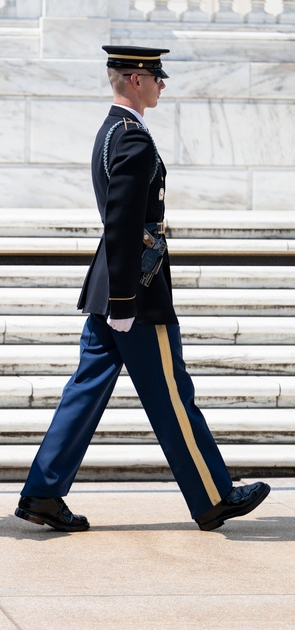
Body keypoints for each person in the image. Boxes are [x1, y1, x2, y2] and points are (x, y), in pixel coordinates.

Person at [15, 46, 270, 533]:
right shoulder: (132, 139)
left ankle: (44, 493)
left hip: (113, 286)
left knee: (84, 393)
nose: (161, 83)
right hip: (136, 291)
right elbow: (124, 222)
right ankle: (214, 497)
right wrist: (126, 302)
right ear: (135, 79)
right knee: (173, 396)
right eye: (156, 76)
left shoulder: (111, 131)